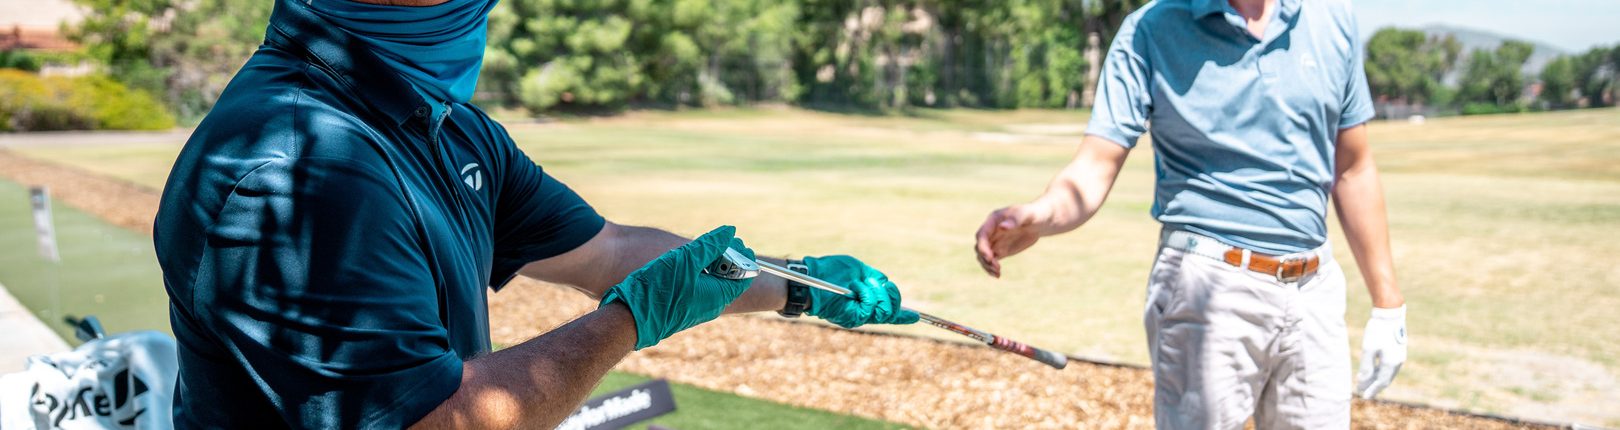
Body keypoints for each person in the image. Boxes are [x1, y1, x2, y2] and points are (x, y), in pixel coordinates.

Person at [151, 0, 918, 427]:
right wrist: (628, 322)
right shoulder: (304, 169)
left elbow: (609, 250)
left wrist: (796, 283)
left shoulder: (435, 120)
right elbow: (436, 426)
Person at [972, 0, 1406, 428]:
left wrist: (1389, 307)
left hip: (1315, 291)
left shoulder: (1331, 17)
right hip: (1207, 287)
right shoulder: (1151, 29)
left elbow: (1352, 167)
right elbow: (1096, 164)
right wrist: (1041, 214)